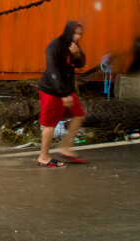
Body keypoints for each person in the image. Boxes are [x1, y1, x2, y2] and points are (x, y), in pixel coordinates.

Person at [37, 20, 87, 168]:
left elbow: (80, 63)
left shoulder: (73, 46)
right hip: (52, 90)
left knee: (79, 114)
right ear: (67, 32)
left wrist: (77, 55)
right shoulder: (55, 46)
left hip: (66, 90)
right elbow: (53, 72)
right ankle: (43, 157)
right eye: (75, 33)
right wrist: (64, 94)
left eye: (80, 34)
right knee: (50, 123)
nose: (77, 37)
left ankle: (65, 147)